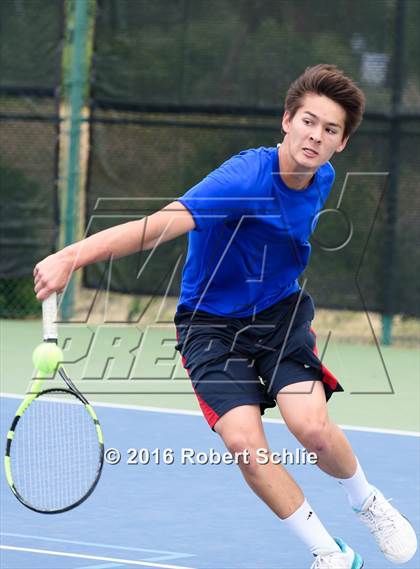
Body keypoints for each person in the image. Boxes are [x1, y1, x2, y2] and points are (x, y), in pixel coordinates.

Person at [34, 64, 417, 568]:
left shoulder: (322, 176)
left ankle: (367, 501)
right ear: (286, 119)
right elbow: (154, 228)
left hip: (278, 314)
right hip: (209, 326)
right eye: (308, 121)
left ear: (341, 143)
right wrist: (70, 257)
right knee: (244, 443)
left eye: (330, 130)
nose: (315, 135)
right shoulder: (242, 179)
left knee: (312, 427)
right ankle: (330, 553)